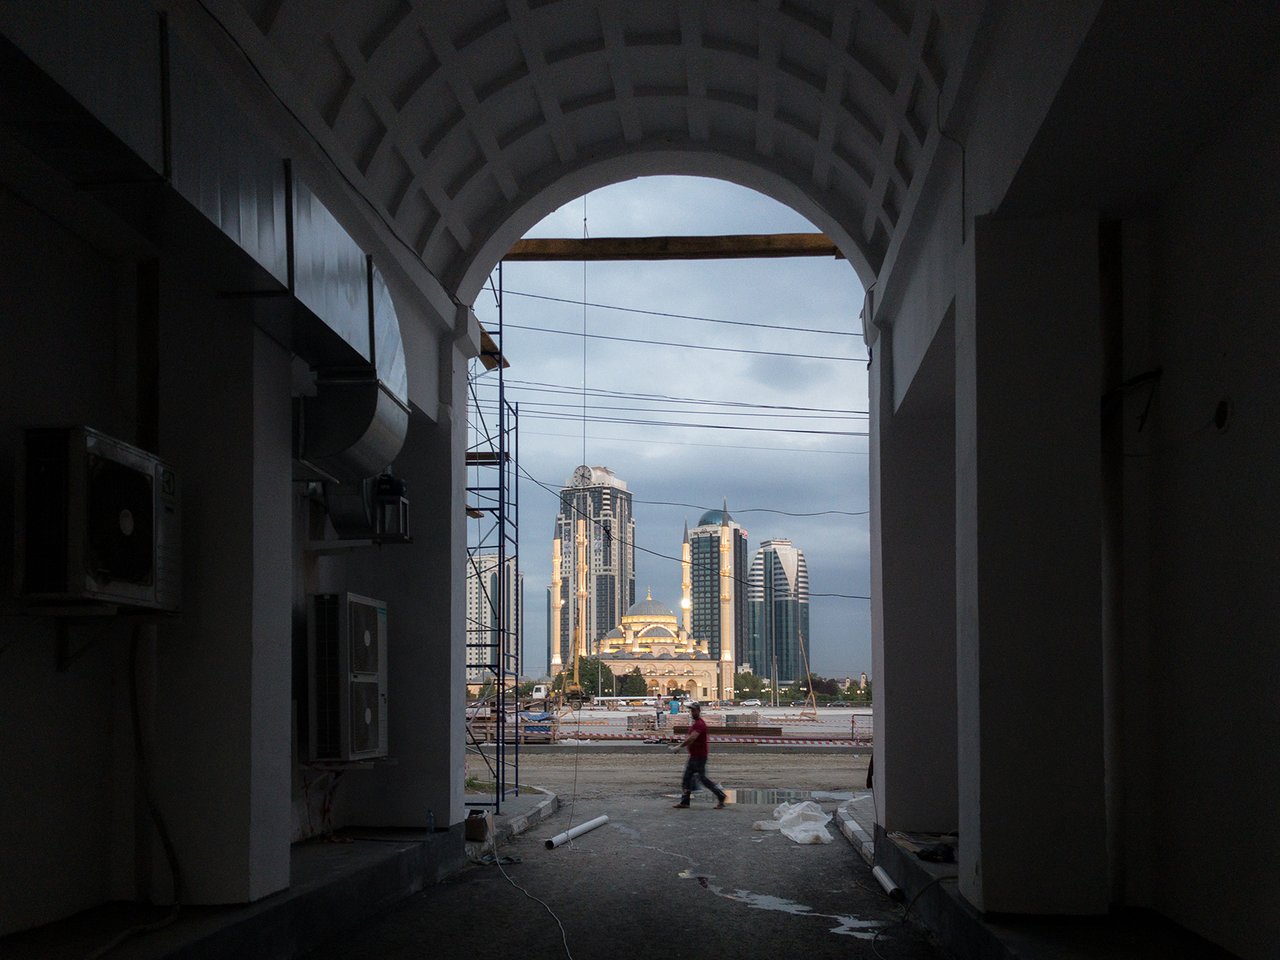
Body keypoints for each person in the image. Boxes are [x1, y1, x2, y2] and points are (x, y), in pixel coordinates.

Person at [670, 702, 727, 809]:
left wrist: (679, 746)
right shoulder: (696, 723)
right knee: (689, 778)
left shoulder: (699, 724)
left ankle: (720, 796)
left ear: (698, 711)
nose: (692, 712)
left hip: (699, 756)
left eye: (694, 710)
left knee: (701, 779)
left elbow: (692, 738)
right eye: (691, 710)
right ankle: (685, 802)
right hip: (695, 756)